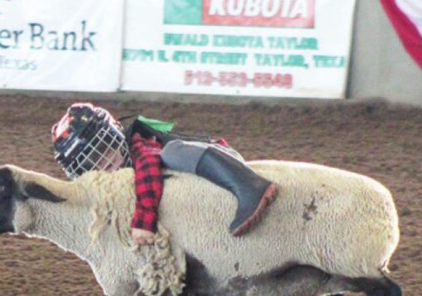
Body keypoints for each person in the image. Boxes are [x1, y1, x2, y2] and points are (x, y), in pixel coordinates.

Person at [51, 103, 277, 245]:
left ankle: (250, 187)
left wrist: (144, 219)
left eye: (103, 148)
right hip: (196, 192)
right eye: (91, 164)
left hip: (222, 161)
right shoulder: (116, 179)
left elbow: (149, 165)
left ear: (116, 135)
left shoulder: (138, 146)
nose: (105, 163)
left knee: (170, 152)